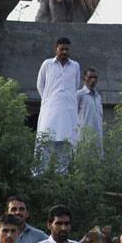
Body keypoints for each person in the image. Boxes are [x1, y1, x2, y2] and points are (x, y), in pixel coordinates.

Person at [35, 38, 81, 173]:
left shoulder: (75, 66)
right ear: (56, 49)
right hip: (50, 111)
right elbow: (40, 85)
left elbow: (75, 86)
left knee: (65, 143)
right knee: (46, 141)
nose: (64, 52)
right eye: (62, 49)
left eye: (67, 49)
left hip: (68, 111)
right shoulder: (47, 65)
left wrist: (65, 100)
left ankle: (62, 176)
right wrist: (49, 100)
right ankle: (40, 175)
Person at [76, 67, 103, 152]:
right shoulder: (79, 95)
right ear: (84, 78)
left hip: (97, 139)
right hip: (83, 139)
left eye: (95, 78)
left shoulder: (98, 97)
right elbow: (72, 116)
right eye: (90, 77)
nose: (93, 80)